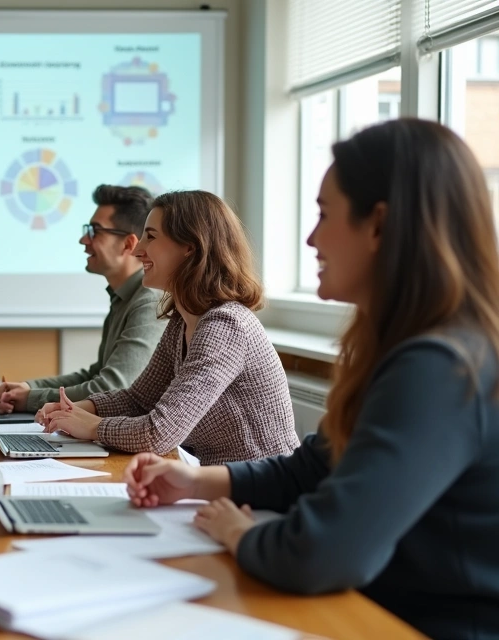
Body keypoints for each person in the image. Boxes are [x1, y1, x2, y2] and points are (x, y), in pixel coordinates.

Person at [124, 119, 499, 640]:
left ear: (379, 226)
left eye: (324, 215)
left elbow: (321, 553)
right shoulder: (403, 347)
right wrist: (202, 482)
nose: (310, 237)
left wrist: (239, 532)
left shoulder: (440, 366)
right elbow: (316, 466)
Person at [37, 190, 299, 465]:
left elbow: (158, 433)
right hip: (223, 485)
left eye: (150, 236)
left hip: (262, 495)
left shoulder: (226, 326)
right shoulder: (182, 321)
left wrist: (91, 426)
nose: (138, 250)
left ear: (189, 246)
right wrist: (75, 409)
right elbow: (139, 400)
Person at [0, 185, 165, 414]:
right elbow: (96, 374)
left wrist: (30, 399)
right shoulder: (123, 297)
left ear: (128, 244)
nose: (83, 240)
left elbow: (112, 388)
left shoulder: (147, 303)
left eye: (94, 231)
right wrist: (28, 387)